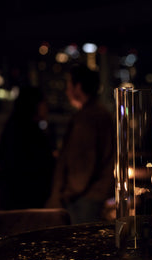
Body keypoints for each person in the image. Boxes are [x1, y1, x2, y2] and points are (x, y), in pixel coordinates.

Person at [46, 64, 115, 224]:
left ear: (78, 86)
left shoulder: (87, 118)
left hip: (83, 198)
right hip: (93, 195)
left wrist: (65, 193)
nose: (66, 90)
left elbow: (82, 162)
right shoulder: (100, 114)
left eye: (69, 85)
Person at [0, 86, 55, 210]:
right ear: (34, 104)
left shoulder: (15, 127)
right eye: (43, 102)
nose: (47, 107)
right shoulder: (26, 132)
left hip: (19, 197)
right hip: (25, 199)